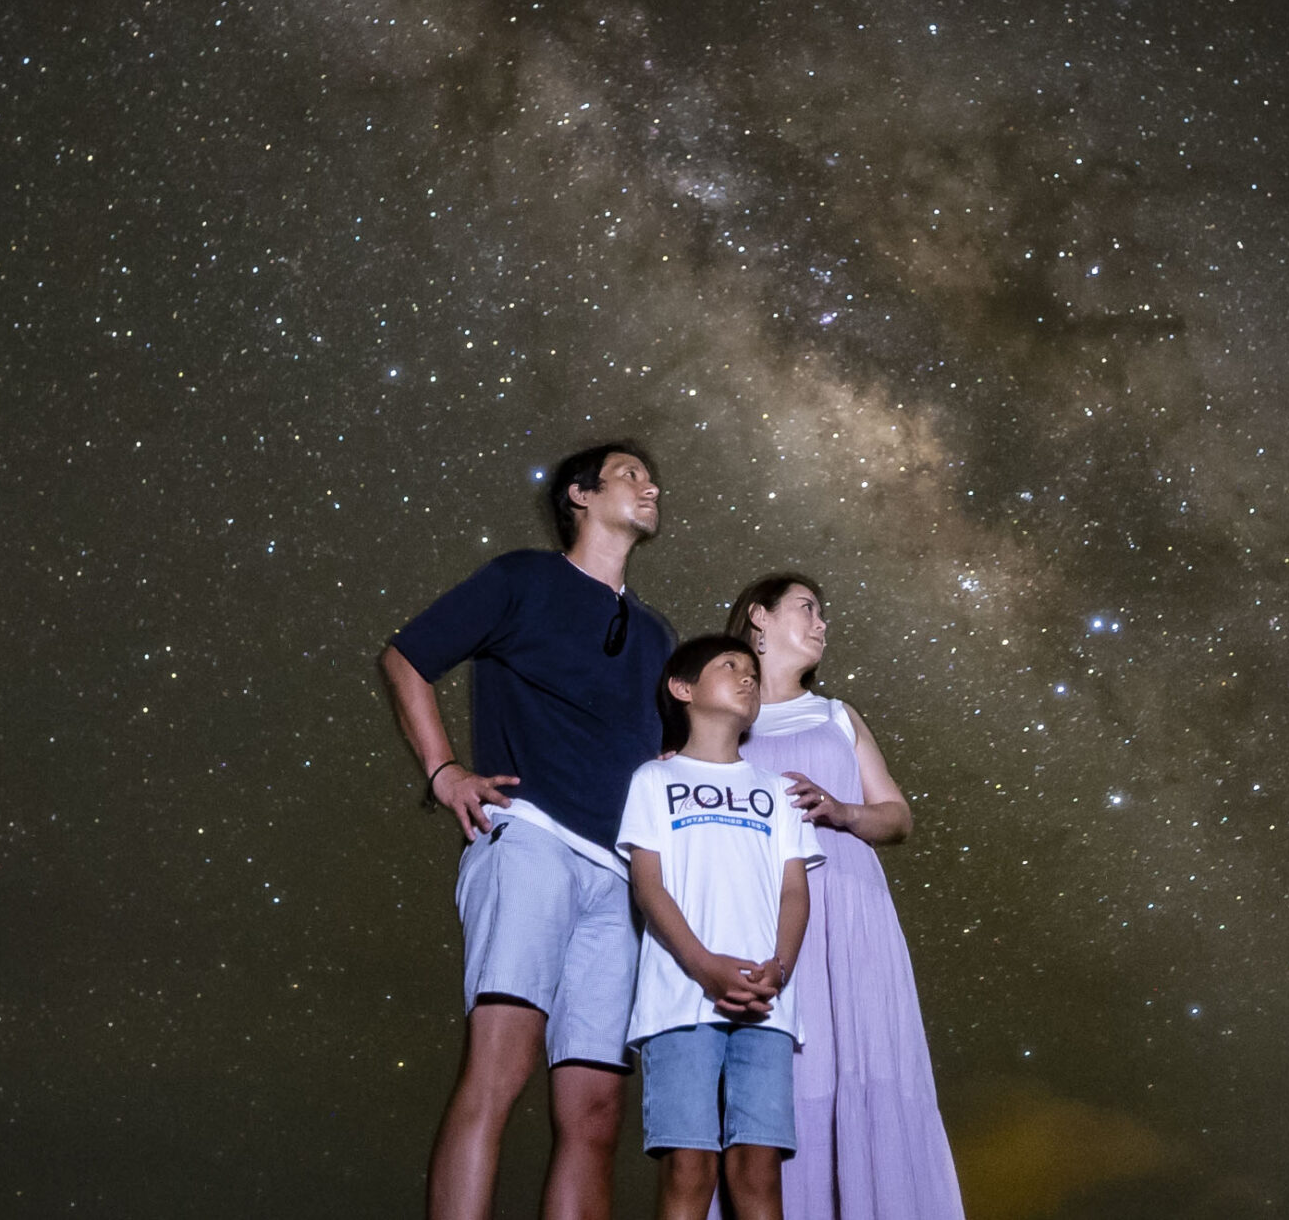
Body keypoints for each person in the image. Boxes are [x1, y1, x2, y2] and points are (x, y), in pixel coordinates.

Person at [378, 443, 676, 1220]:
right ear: (579, 494)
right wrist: (445, 772)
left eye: (652, 477)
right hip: (532, 842)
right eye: (630, 473)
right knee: (500, 1071)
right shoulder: (523, 578)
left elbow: (667, 758)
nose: (651, 485)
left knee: (597, 1112)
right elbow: (406, 658)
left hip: (618, 880)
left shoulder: (655, 634)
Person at [730, 574, 966, 1220]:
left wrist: (841, 811)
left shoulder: (837, 714)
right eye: (807, 608)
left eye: (823, 613)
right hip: (773, 917)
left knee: (871, 1071)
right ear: (760, 617)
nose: (822, 623)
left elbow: (897, 815)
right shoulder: (726, 716)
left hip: (854, 912)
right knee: (793, 1081)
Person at [620, 635, 824, 1220]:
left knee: (758, 1173)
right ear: (683, 689)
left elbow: (794, 889)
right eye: (729, 666)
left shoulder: (778, 791)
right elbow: (648, 885)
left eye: (753, 671)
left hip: (766, 1002)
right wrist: (704, 965)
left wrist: (778, 970)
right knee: (689, 1169)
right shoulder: (653, 781)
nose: (747, 678)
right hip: (682, 999)